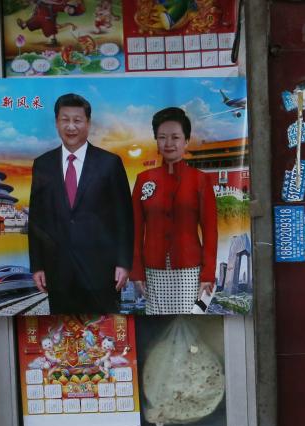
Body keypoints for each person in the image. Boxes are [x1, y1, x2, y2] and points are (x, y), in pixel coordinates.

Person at [28, 93, 133, 314]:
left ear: (88, 123)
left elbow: (124, 218)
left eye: (77, 120)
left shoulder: (110, 163)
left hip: (101, 272)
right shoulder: (42, 165)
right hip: (58, 271)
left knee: (106, 332)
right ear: (56, 122)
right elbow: (37, 219)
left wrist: (123, 263)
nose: (71, 126)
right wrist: (37, 265)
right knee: (62, 333)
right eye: (65, 119)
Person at [131, 107, 218, 314]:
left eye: (175, 137)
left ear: (186, 141)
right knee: (159, 326)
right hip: (153, 269)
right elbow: (134, 230)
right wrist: (137, 271)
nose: (168, 143)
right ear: (156, 141)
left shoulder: (200, 180)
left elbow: (210, 231)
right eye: (162, 137)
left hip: (190, 270)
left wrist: (207, 274)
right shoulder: (144, 180)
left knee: (190, 325)